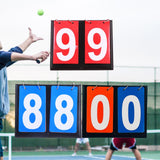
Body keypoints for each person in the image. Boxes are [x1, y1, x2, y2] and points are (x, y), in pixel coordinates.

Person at [0, 28, 49, 160]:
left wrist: (29, 40)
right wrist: (32, 57)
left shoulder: (2, 61)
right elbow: (9, 55)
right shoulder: (1, 58)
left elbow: (13, 53)